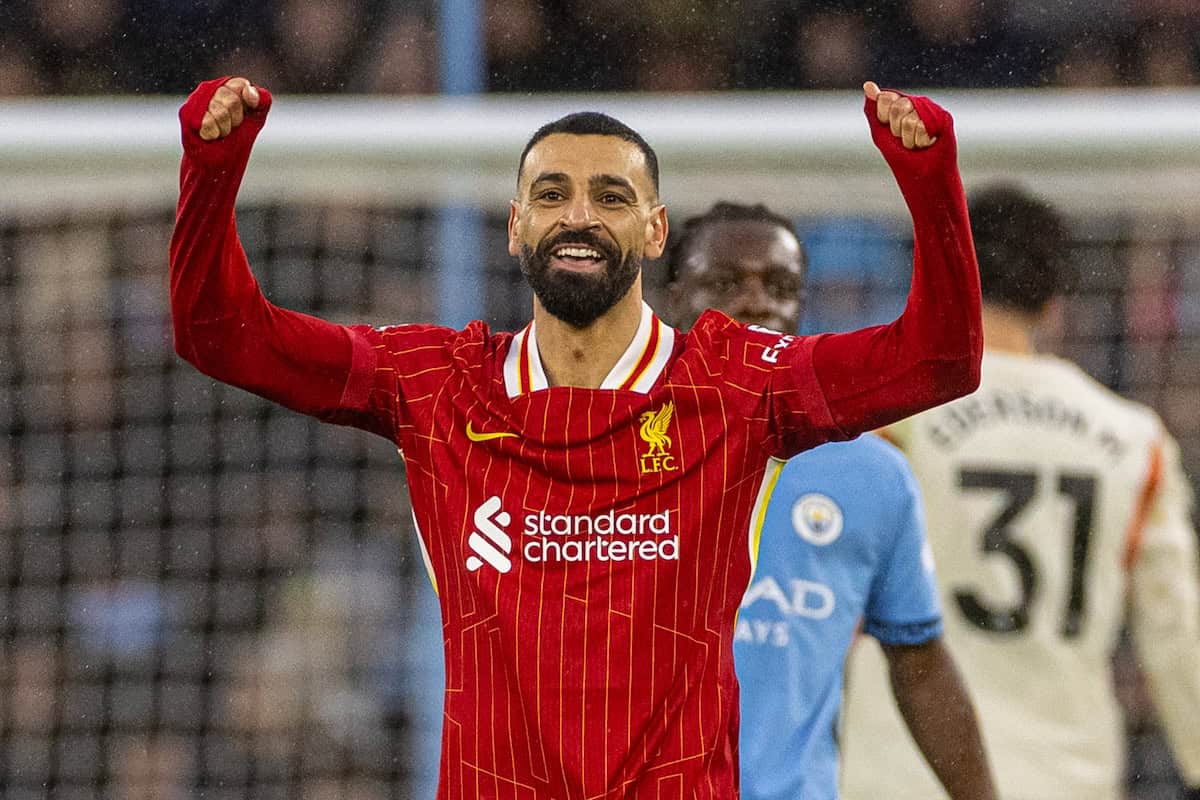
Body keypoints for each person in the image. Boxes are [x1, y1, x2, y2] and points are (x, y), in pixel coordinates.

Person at [170, 75, 982, 798]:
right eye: (552, 195)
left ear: (656, 230)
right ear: (516, 227)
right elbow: (223, 335)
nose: (580, 216)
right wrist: (212, 174)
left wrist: (930, 180)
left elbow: (940, 360)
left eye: (612, 197)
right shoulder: (434, 383)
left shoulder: (736, 385)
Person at [839, 184, 1200, 800]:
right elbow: (1176, 633)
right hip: (1065, 773)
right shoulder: (1135, 441)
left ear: (936, 277)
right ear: (1057, 300)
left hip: (899, 768)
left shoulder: (891, 419)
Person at [666, 202, 996, 800]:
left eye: (781, 287)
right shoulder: (601, 448)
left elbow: (919, 663)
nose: (757, 302)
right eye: (725, 284)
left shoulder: (870, 473)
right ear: (669, 297)